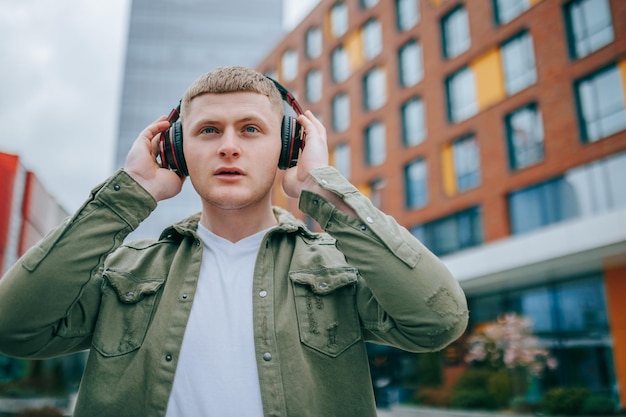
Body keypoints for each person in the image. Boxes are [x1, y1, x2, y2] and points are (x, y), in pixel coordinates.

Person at [0, 66, 468, 417]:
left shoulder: (338, 271)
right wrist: (128, 194)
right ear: (177, 150)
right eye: (208, 131)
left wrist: (322, 190)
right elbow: (13, 327)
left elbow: (437, 320)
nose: (229, 146)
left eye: (250, 129)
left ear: (288, 146)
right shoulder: (124, 273)